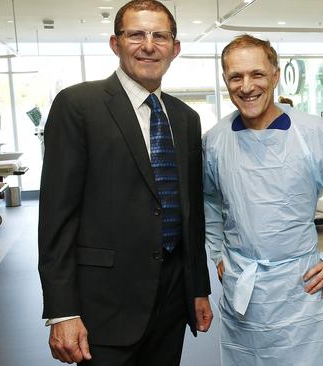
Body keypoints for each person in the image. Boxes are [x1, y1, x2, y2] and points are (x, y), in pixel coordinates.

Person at [38, 1, 212, 365]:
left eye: (159, 36)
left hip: (170, 303)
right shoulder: (78, 106)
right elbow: (57, 218)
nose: (148, 45)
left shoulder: (185, 118)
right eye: (136, 34)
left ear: (174, 48)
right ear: (115, 44)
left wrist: (198, 289)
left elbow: (190, 215)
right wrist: (63, 311)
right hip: (103, 307)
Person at [203, 34, 323, 365]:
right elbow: (210, 201)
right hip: (241, 284)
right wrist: (217, 254)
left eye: (256, 74)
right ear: (225, 81)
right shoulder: (215, 140)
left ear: (275, 74)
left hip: (300, 286)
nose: (247, 86)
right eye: (235, 77)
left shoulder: (311, 133)